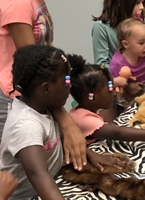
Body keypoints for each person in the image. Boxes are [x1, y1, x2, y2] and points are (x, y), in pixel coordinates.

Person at [0, 45, 125, 200]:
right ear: (46, 89)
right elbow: (38, 175)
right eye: (66, 81)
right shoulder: (26, 125)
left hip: (55, 183)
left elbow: (61, 138)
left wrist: (90, 154)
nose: (70, 85)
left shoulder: (43, 106)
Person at [0, 0, 87, 170]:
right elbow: (35, 71)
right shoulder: (17, 3)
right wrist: (67, 123)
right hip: (19, 98)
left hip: (41, 97)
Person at [68, 54, 145, 147]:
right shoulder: (85, 120)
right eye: (110, 89)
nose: (114, 91)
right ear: (92, 97)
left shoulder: (83, 109)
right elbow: (117, 133)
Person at [92, 0, 145, 123]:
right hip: (112, 88)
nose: (142, 7)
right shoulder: (101, 27)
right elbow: (102, 66)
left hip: (135, 88)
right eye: (137, 3)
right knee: (111, 133)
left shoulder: (136, 25)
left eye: (143, 2)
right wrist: (127, 86)